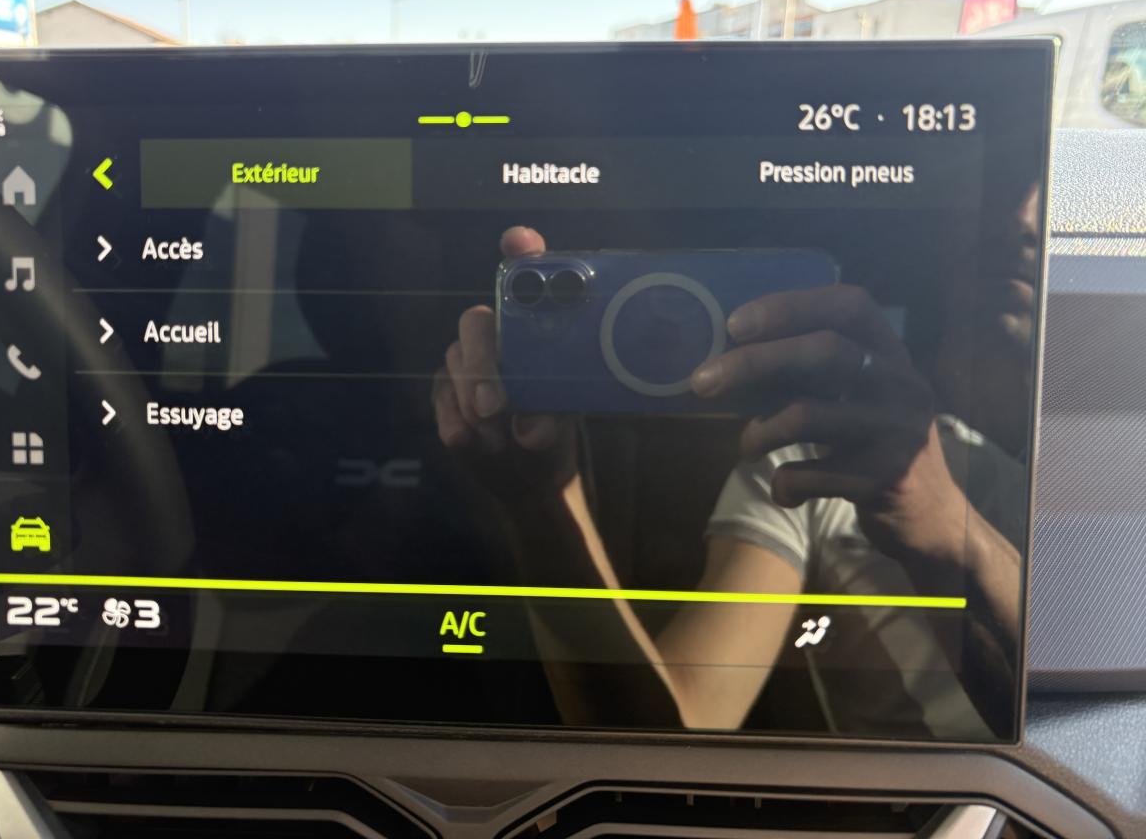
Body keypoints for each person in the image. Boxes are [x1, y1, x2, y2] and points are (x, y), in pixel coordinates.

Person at [432, 186, 1036, 737]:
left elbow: (1092, 738)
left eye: (1041, 182)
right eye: (1003, 179)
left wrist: (949, 526)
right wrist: (543, 504)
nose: (1020, 220)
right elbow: (667, 731)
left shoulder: (1077, 471)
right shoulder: (813, 464)